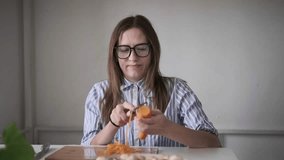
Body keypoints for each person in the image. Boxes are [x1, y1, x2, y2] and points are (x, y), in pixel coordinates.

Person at [81, 15, 221, 147]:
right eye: (124, 50)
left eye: (141, 49)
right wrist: (112, 124)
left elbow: (213, 143)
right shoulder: (98, 93)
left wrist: (167, 128)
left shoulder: (178, 89)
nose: (133, 58)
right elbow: (86, 150)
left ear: (153, 52)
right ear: (115, 55)